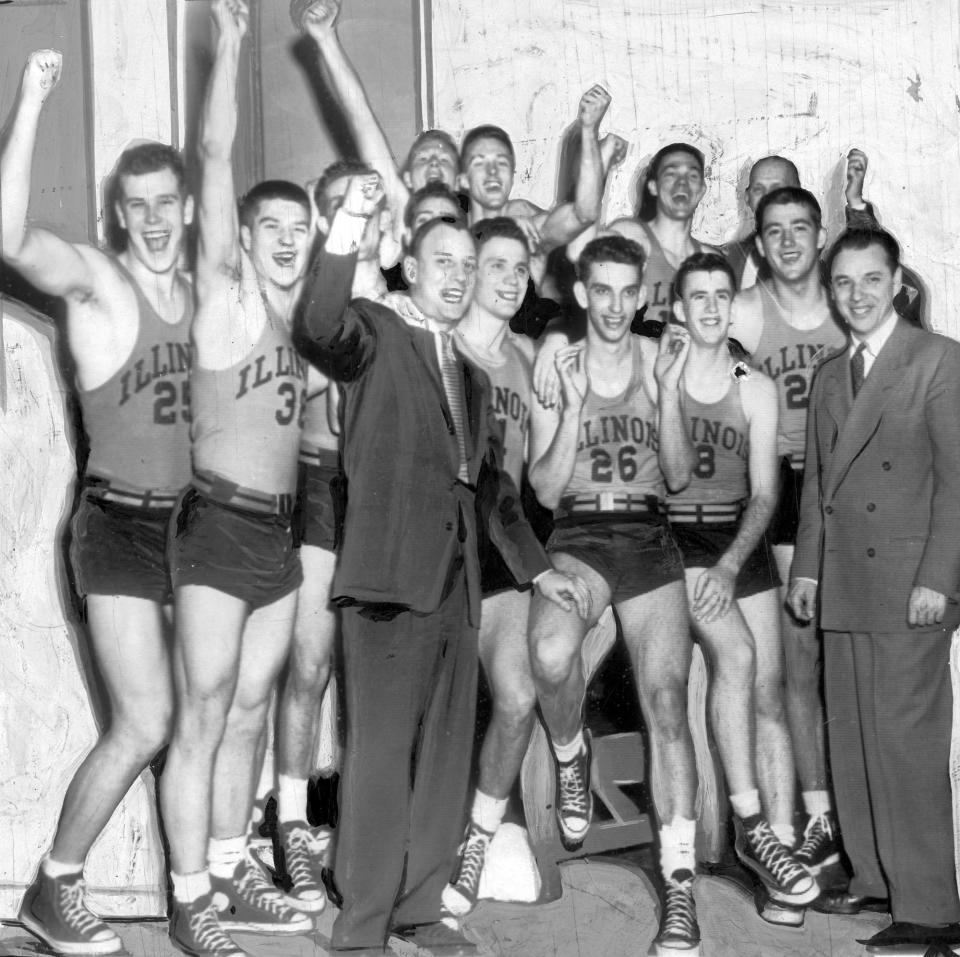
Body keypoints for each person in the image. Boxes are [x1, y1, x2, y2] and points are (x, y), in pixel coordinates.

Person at [298, 208, 589, 955]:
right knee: (379, 758)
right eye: (445, 263)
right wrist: (346, 231)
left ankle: (418, 909)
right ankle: (361, 929)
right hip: (388, 584)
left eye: (470, 266)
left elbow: (492, 494)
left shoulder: (476, 377)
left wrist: (540, 569)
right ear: (413, 271)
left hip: (458, 591)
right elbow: (317, 325)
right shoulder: (376, 331)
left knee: (442, 760)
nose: (459, 277)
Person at [158, 3, 354, 953]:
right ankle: (188, 894)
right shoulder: (227, 297)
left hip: (282, 531)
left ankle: (232, 865)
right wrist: (231, 46)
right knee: (200, 712)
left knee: (248, 708)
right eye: (268, 224)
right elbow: (210, 159)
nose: (286, 237)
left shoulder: (308, 326)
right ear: (241, 234)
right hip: (216, 525)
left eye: (298, 225)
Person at [3, 50, 192, 957]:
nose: (154, 220)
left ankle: (204, 886)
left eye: (168, 203)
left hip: (196, 530)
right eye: (139, 205)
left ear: (187, 209)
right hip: (117, 524)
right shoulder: (99, 282)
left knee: (210, 711)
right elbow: (7, 240)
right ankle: (55, 884)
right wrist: (33, 100)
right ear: (121, 215)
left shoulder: (206, 296)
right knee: (147, 719)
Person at [526, 234, 704, 955]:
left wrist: (665, 396)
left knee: (666, 700)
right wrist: (570, 408)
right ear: (581, 292)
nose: (615, 304)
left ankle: (681, 885)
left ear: (642, 294)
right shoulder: (558, 361)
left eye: (628, 290)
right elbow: (541, 486)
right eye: (601, 289)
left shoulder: (662, 358)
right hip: (580, 533)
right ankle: (571, 751)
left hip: (649, 533)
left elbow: (682, 474)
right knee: (547, 651)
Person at [788, 227, 960, 955]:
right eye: (843, 283)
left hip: (908, 584)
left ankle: (931, 905)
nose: (856, 295)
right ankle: (872, 876)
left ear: (897, 282)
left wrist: (938, 580)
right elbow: (822, 485)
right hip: (848, 581)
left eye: (870, 280)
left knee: (906, 741)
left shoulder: (937, 360)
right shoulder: (831, 374)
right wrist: (807, 568)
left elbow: (959, 482)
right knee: (854, 732)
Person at [667, 253, 817, 921]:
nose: (707, 307)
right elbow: (664, 483)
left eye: (719, 296)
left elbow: (764, 492)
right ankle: (754, 829)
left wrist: (731, 564)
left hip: (735, 541)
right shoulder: (658, 373)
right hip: (675, 539)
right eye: (695, 296)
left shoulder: (752, 383)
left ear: (732, 307)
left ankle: (782, 853)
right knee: (741, 658)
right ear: (678, 307)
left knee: (769, 693)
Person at [728, 186, 847, 879]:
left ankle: (857, 812)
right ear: (760, 240)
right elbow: (709, 358)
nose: (789, 241)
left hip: (850, 484)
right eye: (775, 231)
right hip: (787, 484)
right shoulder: (747, 309)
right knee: (798, 659)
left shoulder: (848, 297)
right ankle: (820, 812)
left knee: (853, 660)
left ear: (820, 231)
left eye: (801, 227)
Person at [438, 217, 537, 916]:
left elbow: (541, 479)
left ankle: (481, 833)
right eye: (495, 265)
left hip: (506, 538)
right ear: (470, 272)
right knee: (435, 710)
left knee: (518, 695)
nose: (508, 279)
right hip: (444, 540)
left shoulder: (530, 355)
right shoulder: (440, 349)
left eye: (518, 268)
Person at [607, 142, 717, 334]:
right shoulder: (629, 236)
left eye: (691, 176)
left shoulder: (711, 260)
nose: (681, 184)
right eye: (671, 175)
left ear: (701, 190)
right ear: (653, 186)